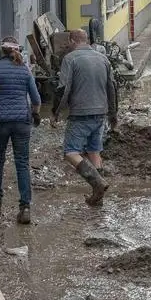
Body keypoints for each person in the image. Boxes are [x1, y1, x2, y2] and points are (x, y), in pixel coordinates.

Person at [0, 38, 41, 223]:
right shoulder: (24, 69)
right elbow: (36, 99)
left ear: (2, 51)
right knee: (22, 163)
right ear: (18, 51)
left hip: (0, 122)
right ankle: (25, 208)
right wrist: (35, 113)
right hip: (22, 122)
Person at [58, 29, 117, 206]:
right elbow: (112, 87)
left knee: (70, 152)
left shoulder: (70, 59)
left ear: (72, 41)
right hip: (101, 112)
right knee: (94, 151)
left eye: (68, 42)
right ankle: (98, 197)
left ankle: (97, 183)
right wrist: (113, 114)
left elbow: (63, 89)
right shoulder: (103, 59)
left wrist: (56, 112)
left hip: (80, 112)